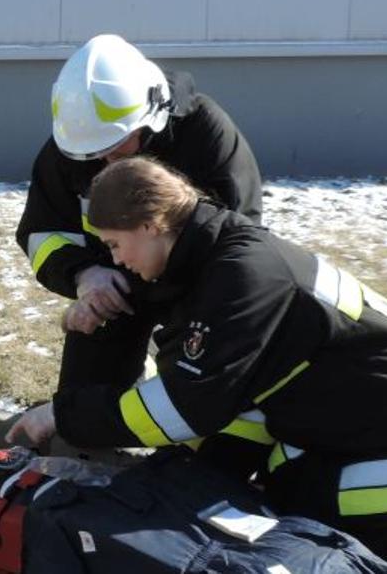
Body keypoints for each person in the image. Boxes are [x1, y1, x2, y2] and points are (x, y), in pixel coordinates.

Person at [6, 157, 387, 573]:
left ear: (151, 224)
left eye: (116, 245)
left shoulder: (238, 277)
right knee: (259, 524)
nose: (118, 261)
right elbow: (237, 404)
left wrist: (60, 414)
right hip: (361, 428)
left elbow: (179, 409)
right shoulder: (212, 263)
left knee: (320, 558)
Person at [14, 33, 261, 402]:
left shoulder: (205, 134)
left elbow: (237, 240)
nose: (104, 161)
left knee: (195, 404)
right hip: (113, 292)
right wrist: (83, 276)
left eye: (115, 147)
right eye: (92, 155)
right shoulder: (74, 145)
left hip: (197, 293)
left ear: (150, 119)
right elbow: (42, 233)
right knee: (82, 408)